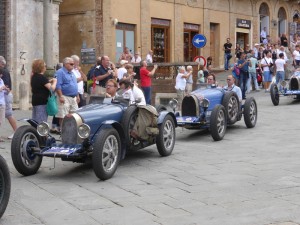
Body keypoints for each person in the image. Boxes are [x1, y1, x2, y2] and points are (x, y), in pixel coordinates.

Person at [31, 59, 57, 124]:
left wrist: (49, 81)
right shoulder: (42, 77)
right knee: (41, 122)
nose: (46, 67)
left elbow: (41, 84)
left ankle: (35, 133)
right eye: (45, 66)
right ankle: (41, 134)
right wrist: (55, 82)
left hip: (35, 100)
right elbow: (52, 89)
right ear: (41, 67)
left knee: (35, 121)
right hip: (42, 102)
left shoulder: (34, 76)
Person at [55, 57, 79, 125]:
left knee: (75, 115)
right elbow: (58, 85)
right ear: (65, 64)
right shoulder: (60, 72)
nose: (73, 65)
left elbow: (75, 84)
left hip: (73, 97)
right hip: (64, 96)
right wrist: (61, 96)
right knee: (63, 116)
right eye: (71, 64)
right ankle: (63, 131)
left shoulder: (72, 73)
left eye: (73, 64)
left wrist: (77, 96)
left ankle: (71, 130)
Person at [0, 56, 17, 139]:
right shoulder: (4, 71)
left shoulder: (4, 72)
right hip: (4, 96)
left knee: (8, 114)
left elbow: (7, 86)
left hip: (5, 96)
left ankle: (16, 131)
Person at [0, 72, 7, 142]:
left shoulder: (1, 80)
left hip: (2, 102)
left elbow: (3, 91)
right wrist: (1, 88)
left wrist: (6, 89)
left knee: (0, 121)